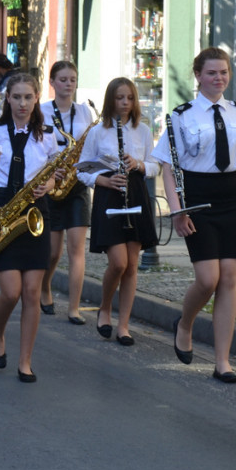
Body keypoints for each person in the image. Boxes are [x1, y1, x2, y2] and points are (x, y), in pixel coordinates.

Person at [153, 47, 236, 384]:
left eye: (224, 72)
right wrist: (177, 210)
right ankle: (184, 323)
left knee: (229, 277)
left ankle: (222, 361)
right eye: (212, 73)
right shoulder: (181, 116)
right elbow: (168, 169)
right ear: (198, 76)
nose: (219, 78)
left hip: (234, 198)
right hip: (199, 198)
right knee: (207, 279)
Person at [0, 73, 59, 382]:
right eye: (16, 97)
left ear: (37, 98)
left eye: (28, 97)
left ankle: (25, 361)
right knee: (10, 292)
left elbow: (56, 173)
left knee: (32, 292)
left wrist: (47, 185)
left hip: (36, 211)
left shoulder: (48, 133)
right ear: (7, 99)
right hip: (2, 208)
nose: (22, 103)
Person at [78, 77, 159, 347]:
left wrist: (138, 164)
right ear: (110, 100)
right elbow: (83, 168)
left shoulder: (143, 131)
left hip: (135, 193)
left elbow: (156, 166)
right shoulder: (98, 131)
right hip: (109, 194)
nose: (125, 103)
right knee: (119, 263)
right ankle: (104, 308)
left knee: (132, 264)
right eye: (119, 98)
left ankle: (123, 324)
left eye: (130, 98)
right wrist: (103, 180)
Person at [39, 61, 95, 323]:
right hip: (51, 185)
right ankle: (45, 286)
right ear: (52, 82)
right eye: (62, 79)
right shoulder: (40, 111)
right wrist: (50, 171)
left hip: (78, 185)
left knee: (76, 249)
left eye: (72, 79)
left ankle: (74, 308)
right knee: (52, 252)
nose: (68, 84)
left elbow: (92, 147)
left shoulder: (85, 112)